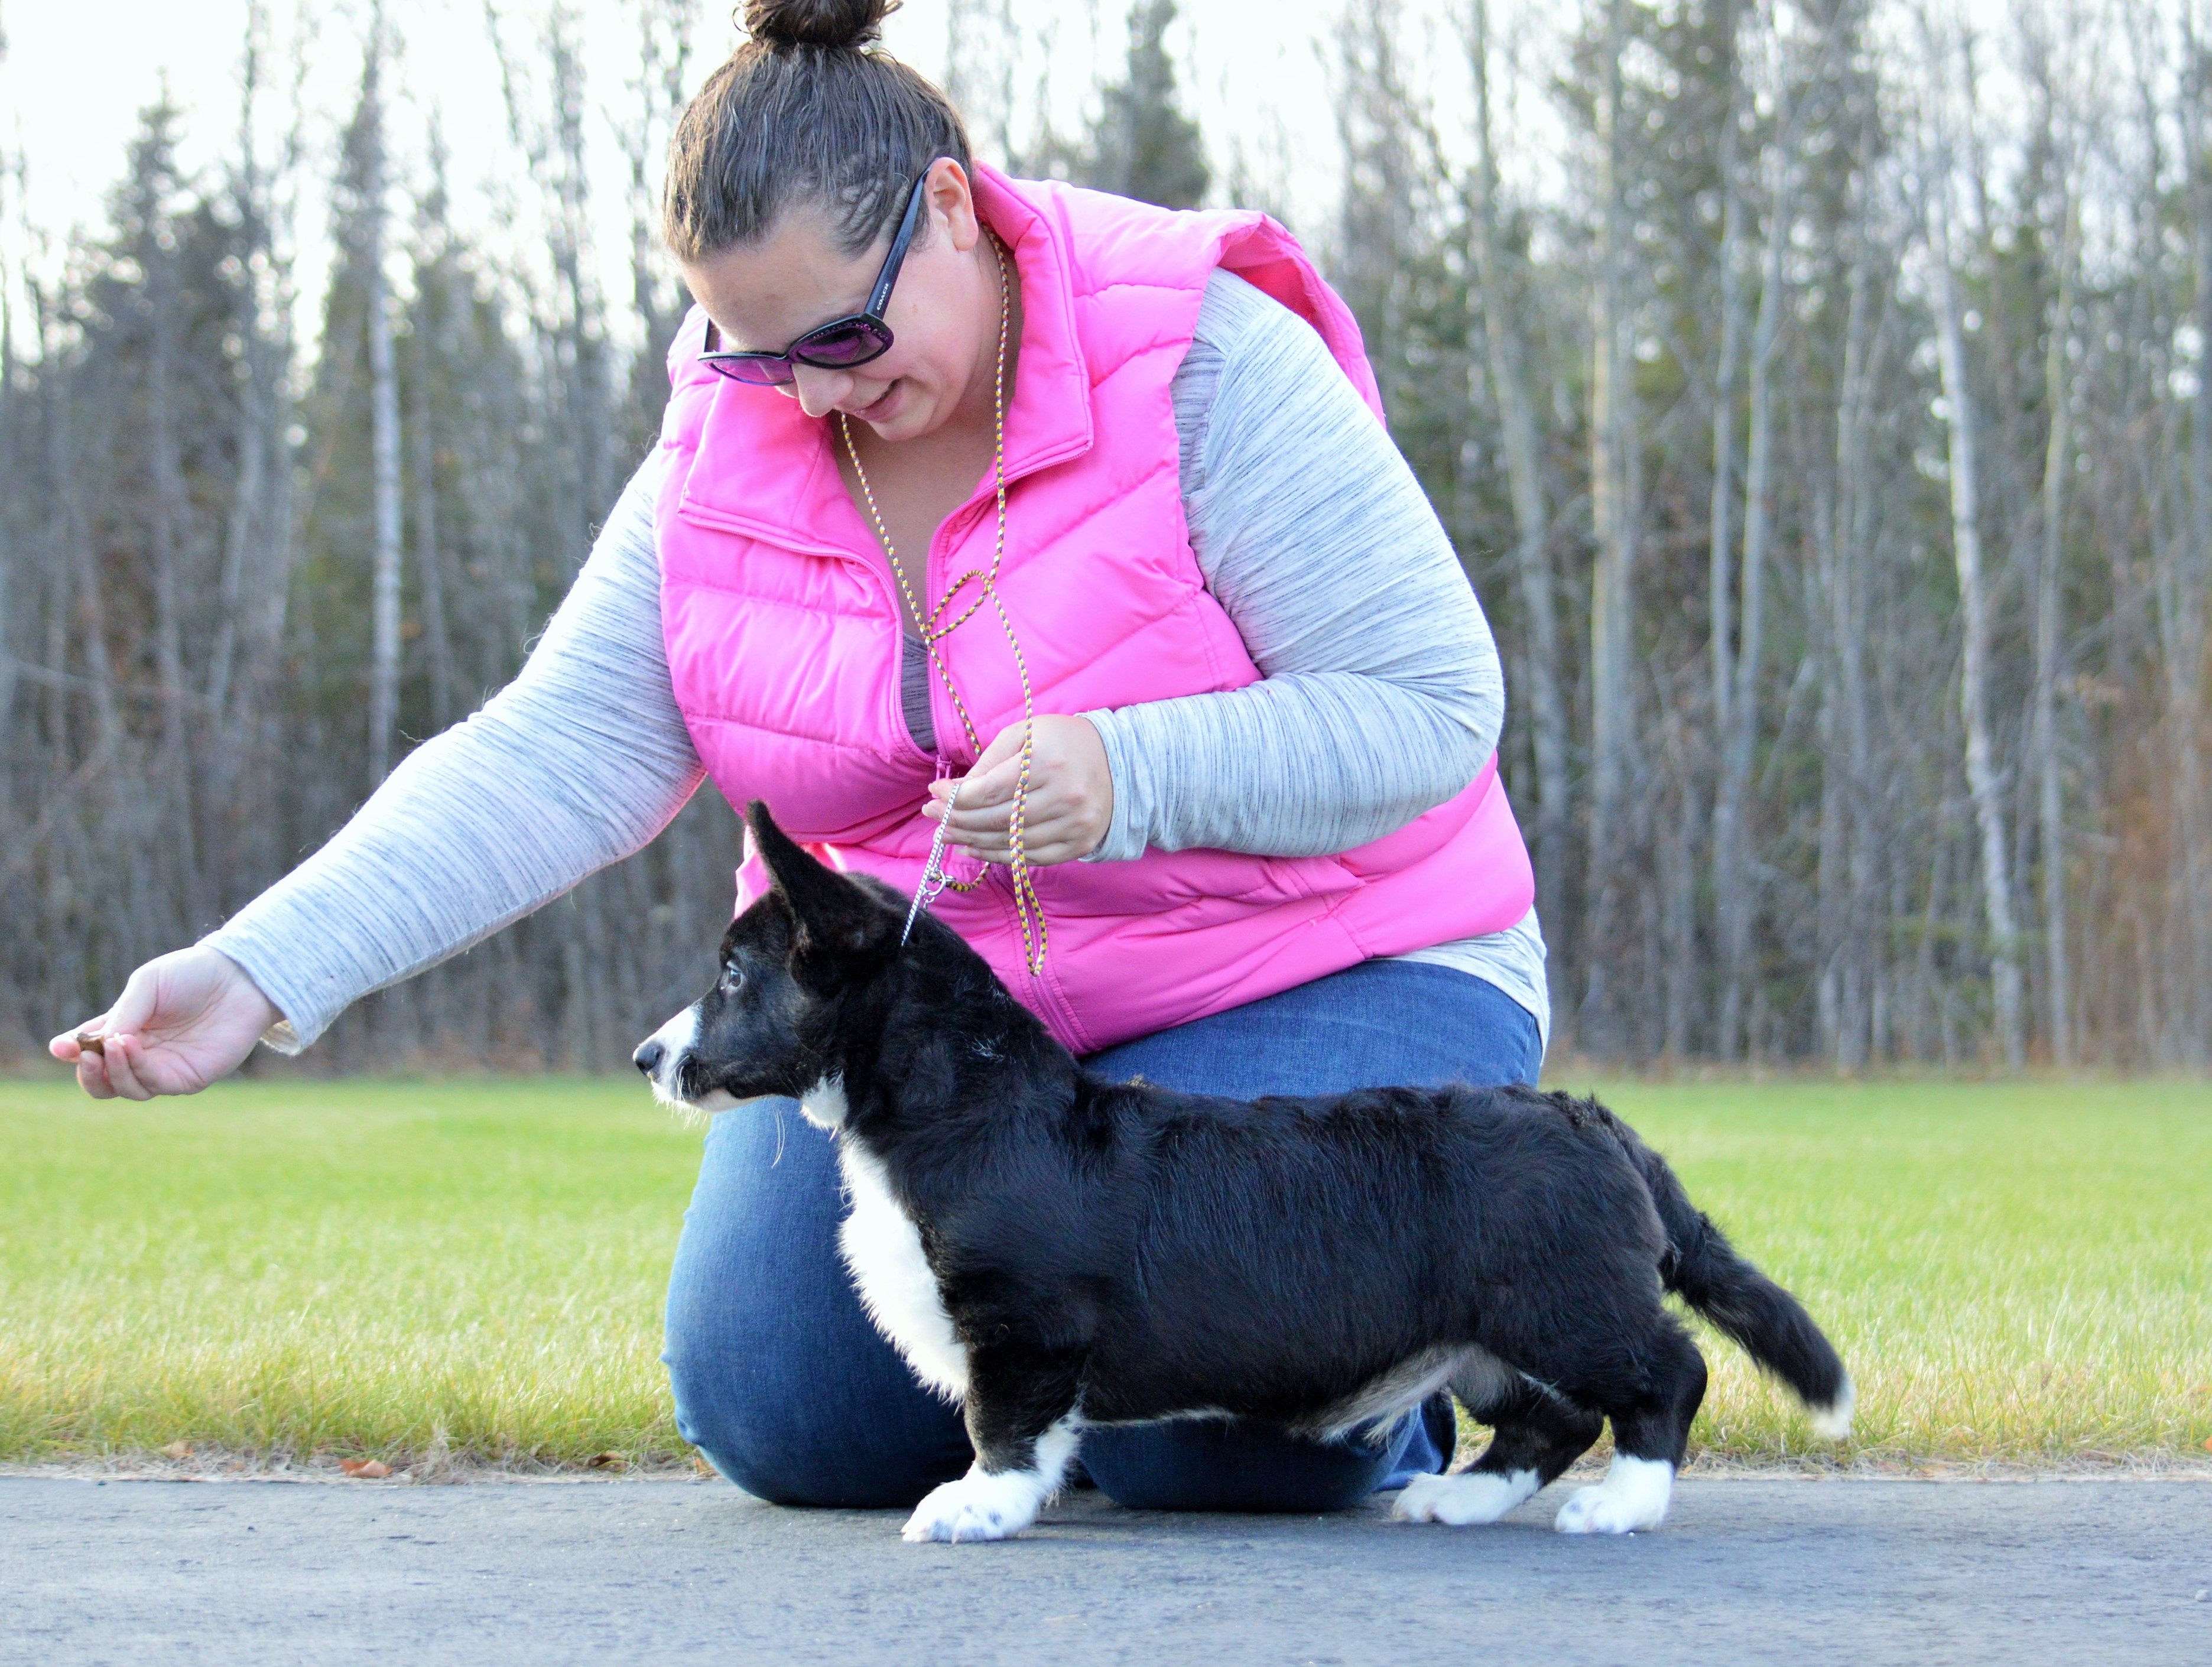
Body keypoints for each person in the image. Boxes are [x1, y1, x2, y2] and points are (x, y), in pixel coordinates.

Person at [51, 0, 1550, 1514]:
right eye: (756, 355)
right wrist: (260, 969)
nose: (815, 394)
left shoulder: (1203, 361)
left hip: (1323, 963)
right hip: (961, 1034)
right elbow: (556, 749)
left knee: (1209, 1435)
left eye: (842, 337)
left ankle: (1405, 1361)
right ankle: (1077, 1369)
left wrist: (1129, 771)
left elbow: (1431, 702)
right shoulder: (723, 442)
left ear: (950, 208)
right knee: (786, 1414)